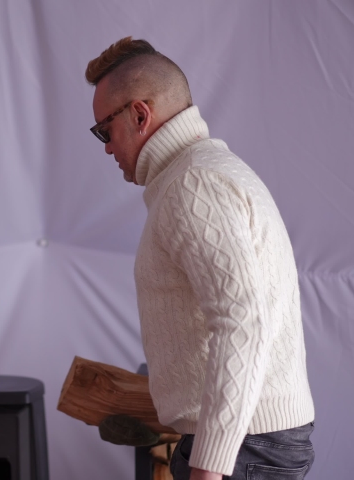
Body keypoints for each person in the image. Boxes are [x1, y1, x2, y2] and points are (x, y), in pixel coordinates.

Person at [86, 37, 316, 480]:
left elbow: (243, 321)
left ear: (139, 114)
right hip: (249, 441)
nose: (107, 147)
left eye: (104, 130)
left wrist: (209, 468)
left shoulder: (194, 185)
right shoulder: (200, 173)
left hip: (244, 448)